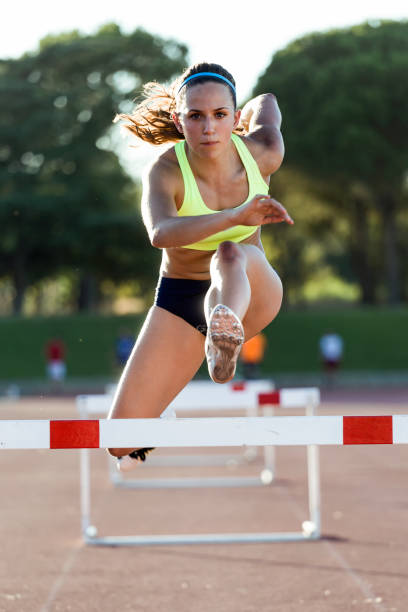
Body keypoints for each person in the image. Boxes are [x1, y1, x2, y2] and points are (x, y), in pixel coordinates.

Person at [108, 62, 293, 470]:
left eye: (220, 115)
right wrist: (237, 215)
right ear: (179, 120)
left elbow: (268, 100)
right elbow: (160, 232)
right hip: (181, 296)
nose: (209, 127)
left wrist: (252, 110)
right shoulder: (165, 171)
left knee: (229, 252)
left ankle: (224, 326)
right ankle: (207, 344)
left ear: (234, 118)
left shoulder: (263, 151)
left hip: (251, 288)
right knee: (119, 442)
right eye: (196, 116)